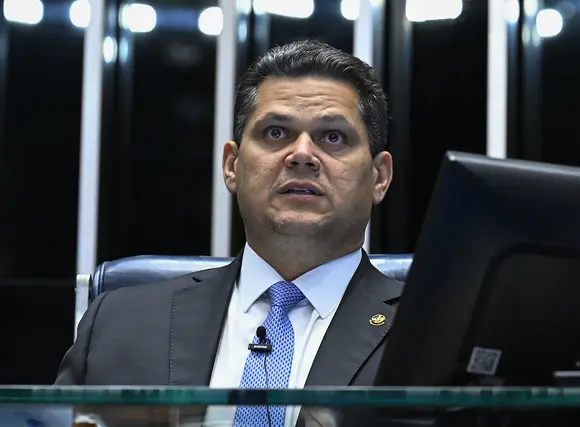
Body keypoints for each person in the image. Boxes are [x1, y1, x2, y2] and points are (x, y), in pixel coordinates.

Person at [55, 39, 399, 426]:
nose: (302, 154)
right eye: (276, 132)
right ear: (232, 166)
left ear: (379, 177)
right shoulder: (120, 322)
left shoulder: (428, 337)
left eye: (332, 137)